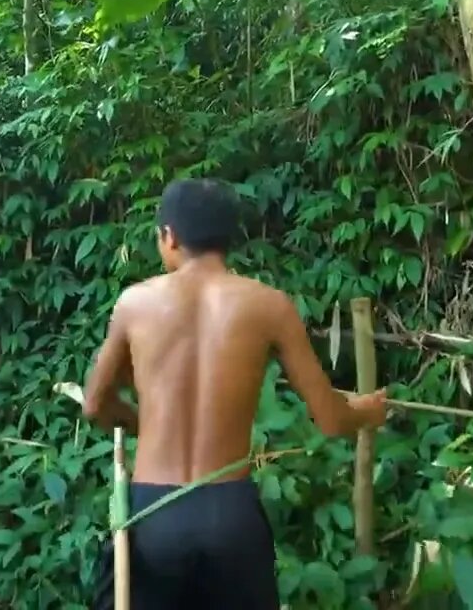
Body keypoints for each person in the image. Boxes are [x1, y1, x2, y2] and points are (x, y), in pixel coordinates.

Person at [81, 177, 388, 609]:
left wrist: (142, 424)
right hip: (231, 515)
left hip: (155, 514)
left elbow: (95, 405)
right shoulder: (269, 304)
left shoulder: (134, 304)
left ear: (168, 236)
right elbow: (331, 417)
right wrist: (366, 411)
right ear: (227, 239)